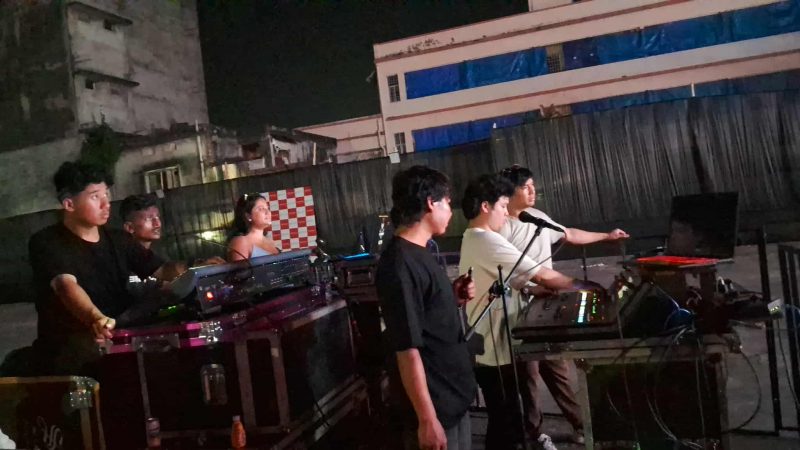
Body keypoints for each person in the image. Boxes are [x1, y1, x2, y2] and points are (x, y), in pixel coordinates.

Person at [459, 174, 602, 450]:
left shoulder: (475, 238)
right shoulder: (486, 240)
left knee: (506, 423)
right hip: (495, 354)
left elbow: (509, 280)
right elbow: (542, 274)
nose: (506, 213)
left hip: (496, 350)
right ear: (486, 207)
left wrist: (535, 290)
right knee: (505, 428)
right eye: (502, 206)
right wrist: (586, 287)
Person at [497, 165, 630, 446]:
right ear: (509, 191)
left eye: (533, 185)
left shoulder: (538, 218)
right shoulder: (500, 227)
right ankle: (534, 434)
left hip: (547, 306)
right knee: (529, 375)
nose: (532, 191)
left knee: (558, 368)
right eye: (525, 187)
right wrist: (530, 287)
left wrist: (607, 236)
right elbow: (498, 274)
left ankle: (584, 426)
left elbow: (568, 233)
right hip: (517, 310)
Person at [28, 162, 182, 376]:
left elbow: (162, 271)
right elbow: (65, 285)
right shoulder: (47, 242)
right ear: (69, 204)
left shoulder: (119, 239)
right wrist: (96, 318)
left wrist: (199, 267)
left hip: (119, 339)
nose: (106, 203)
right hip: (69, 352)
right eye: (95, 196)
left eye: (106, 194)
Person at [376, 165, 476, 450]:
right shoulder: (399, 264)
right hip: (436, 407)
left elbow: (424, 314)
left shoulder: (421, 251)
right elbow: (406, 348)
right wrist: (427, 419)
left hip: (453, 397)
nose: (451, 211)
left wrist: (451, 297)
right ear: (431, 203)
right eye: (447, 202)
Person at [227, 193, 281, 261]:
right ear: (248, 216)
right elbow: (241, 268)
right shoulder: (241, 242)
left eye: (267, 208)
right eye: (261, 209)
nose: (267, 212)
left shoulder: (270, 241)